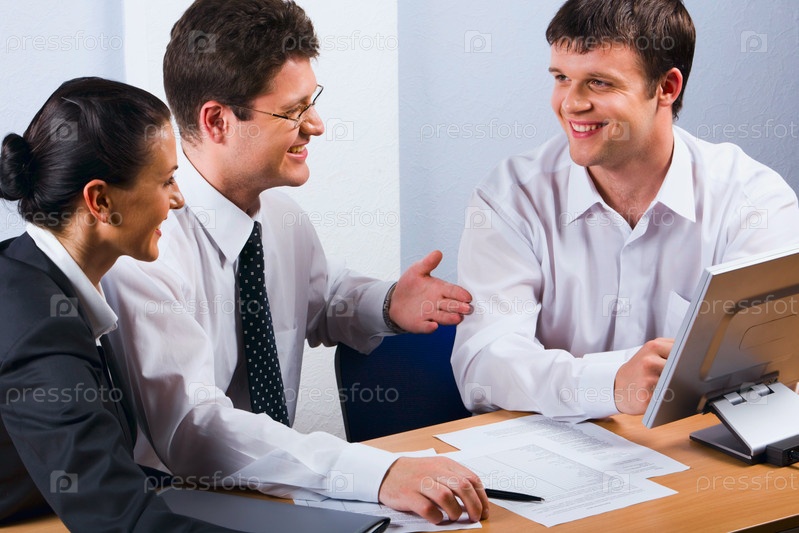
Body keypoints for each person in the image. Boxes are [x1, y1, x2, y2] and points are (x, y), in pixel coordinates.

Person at [102, 0, 488, 525]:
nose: (317, 126)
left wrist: (387, 302)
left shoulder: (281, 218)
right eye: (292, 111)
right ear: (217, 121)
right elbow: (194, 431)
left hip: (277, 497)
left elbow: (319, 299)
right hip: (174, 508)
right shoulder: (145, 247)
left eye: (313, 102)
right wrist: (374, 472)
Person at [452, 0, 799, 422]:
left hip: (695, 452)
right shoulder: (511, 198)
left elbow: (766, 371)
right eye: (562, 78)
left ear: (666, 87)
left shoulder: (754, 202)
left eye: (598, 83)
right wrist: (611, 385)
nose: (570, 104)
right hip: (551, 451)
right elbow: (483, 368)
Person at [0, 77, 239, 530]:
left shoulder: (38, 277)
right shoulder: (37, 328)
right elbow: (116, 518)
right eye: (166, 180)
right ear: (100, 200)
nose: (178, 199)